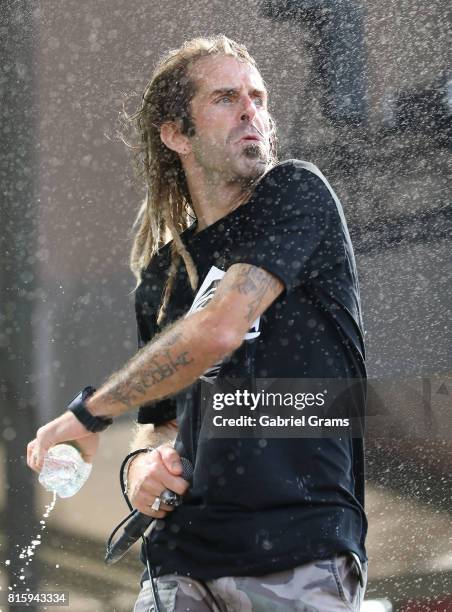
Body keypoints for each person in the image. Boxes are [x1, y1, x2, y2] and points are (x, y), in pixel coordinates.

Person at [27, 35, 368, 611]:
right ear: (176, 134)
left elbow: (218, 330)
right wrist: (139, 470)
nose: (250, 112)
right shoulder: (164, 275)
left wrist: (86, 414)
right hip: (178, 560)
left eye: (258, 98)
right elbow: (159, 424)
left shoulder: (296, 192)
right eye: (227, 97)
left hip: (296, 544)